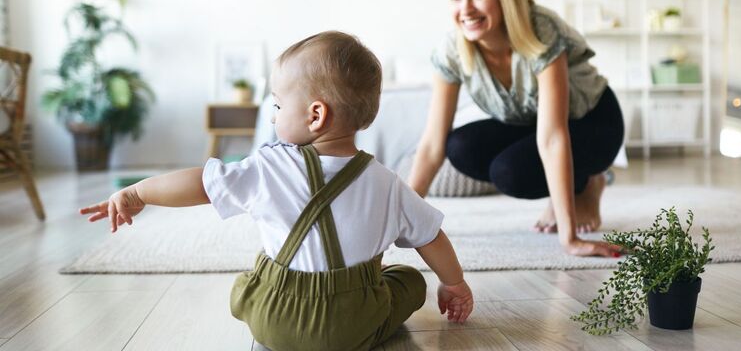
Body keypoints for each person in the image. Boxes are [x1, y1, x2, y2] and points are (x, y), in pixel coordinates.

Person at [79, 31, 474, 350]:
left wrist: (138, 194)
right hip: (351, 329)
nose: (273, 114)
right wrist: (454, 284)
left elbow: (201, 181)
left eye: (278, 104)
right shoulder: (388, 183)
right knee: (410, 280)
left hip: (273, 319)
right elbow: (431, 237)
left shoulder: (267, 165)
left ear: (315, 115)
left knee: (255, 274)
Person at [408, 0, 625, 258]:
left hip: (593, 121)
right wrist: (399, 222)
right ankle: (576, 186)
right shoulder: (452, 49)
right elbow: (432, 144)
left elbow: (552, 137)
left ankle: (588, 183)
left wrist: (570, 238)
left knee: (511, 172)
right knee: (460, 147)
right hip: (532, 122)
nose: (465, 9)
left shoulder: (540, 30)